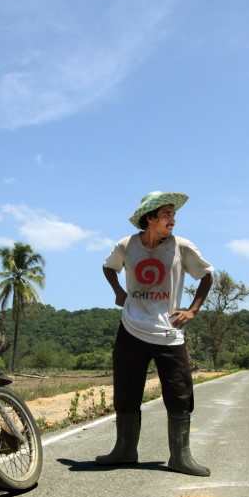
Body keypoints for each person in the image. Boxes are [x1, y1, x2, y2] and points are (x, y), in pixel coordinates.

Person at [97, 191, 214, 476]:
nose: (172, 219)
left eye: (173, 214)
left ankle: (180, 456)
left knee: (179, 393)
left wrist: (192, 310)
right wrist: (119, 292)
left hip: (168, 332)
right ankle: (124, 450)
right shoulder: (127, 245)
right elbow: (108, 266)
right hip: (131, 329)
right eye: (166, 214)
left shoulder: (182, 247)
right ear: (150, 218)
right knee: (126, 392)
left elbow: (208, 274)